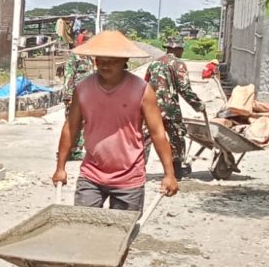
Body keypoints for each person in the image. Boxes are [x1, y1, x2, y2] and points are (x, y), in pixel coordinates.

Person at [53, 30, 179, 211]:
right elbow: (70, 128)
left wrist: (169, 173)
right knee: (83, 227)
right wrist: (60, 168)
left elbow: (157, 133)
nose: (105, 66)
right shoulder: (83, 89)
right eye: (100, 61)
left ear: (124, 61)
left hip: (129, 178)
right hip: (91, 175)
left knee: (122, 231)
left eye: (112, 62)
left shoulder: (142, 90)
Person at [144, 38, 204, 179]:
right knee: (176, 136)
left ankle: (138, 171)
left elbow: (144, 84)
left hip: (149, 106)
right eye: (181, 49)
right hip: (169, 107)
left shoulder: (153, 63)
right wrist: (198, 105)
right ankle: (176, 171)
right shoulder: (178, 64)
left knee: (146, 137)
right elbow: (184, 89)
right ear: (177, 49)